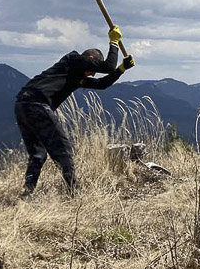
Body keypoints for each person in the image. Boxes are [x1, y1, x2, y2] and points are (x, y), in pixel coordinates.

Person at [15, 25, 134, 193]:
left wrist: (121, 69)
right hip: (37, 103)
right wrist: (114, 42)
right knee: (64, 148)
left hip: (22, 104)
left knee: (38, 154)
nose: (92, 75)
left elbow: (102, 83)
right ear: (91, 58)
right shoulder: (76, 59)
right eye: (93, 70)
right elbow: (107, 67)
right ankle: (75, 192)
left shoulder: (74, 74)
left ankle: (27, 193)